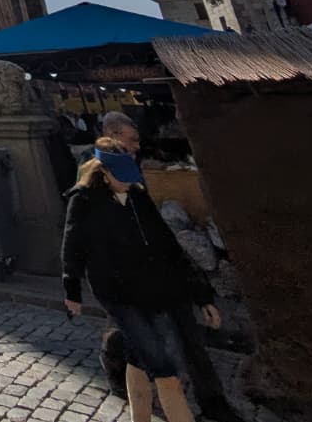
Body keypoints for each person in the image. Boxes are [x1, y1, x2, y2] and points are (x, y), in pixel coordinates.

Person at [95, 113, 240, 421]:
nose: (137, 146)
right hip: (128, 284)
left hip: (162, 279)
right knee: (126, 336)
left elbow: (161, 238)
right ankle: (118, 370)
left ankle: (213, 402)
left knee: (190, 340)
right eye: (131, 140)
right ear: (111, 135)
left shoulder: (134, 173)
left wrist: (199, 293)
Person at [62, 138, 218, 422]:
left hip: (154, 290)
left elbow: (167, 244)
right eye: (121, 176)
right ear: (104, 173)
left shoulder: (137, 196)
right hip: (119, 295)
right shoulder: (83, 200)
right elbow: (72, 247)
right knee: (165, 370)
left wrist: (202, 294)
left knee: (138, 358)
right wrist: (72, 290)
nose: (127, 182)